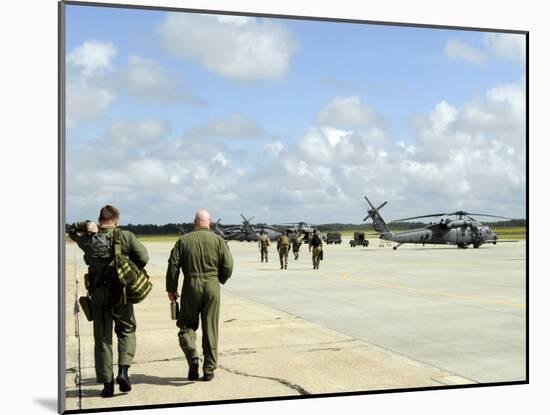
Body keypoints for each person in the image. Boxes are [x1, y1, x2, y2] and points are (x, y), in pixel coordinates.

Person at [68, 205, 149, 398]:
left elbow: (71, 229)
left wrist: (85, 225)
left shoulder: (88, 239)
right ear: (116, 221)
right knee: (127, 330)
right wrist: (127, 271)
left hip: (98, 294)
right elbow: (143, 257)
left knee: (103, 339)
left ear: (99, 220)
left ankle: (107, 385)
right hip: (121, 292)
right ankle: (123, 372)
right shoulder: (126, 236)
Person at [166, 210, 234, 381]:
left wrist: (172, 289)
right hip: (212, 285)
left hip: (191, 285)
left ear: (195, 222)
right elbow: (228, 265)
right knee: (210, 327)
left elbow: (173, 265)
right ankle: (209, 369)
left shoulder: (183, 240)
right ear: (209, 223)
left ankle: (192, 356)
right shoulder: (219, 240)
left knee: (186, 325)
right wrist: (220, 279)